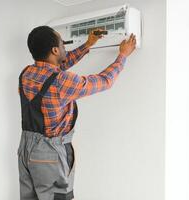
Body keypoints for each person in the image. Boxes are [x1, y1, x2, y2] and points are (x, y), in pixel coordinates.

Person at [17, 25, 136, 200]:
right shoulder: (61, 81)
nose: (65, 46)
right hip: (49, 153)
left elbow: (59, 66)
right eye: (62, 43)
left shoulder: (27, 73)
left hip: (25, 149)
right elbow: (104, 81)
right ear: (55, 50)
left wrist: (88, 44)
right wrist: (122, 56)